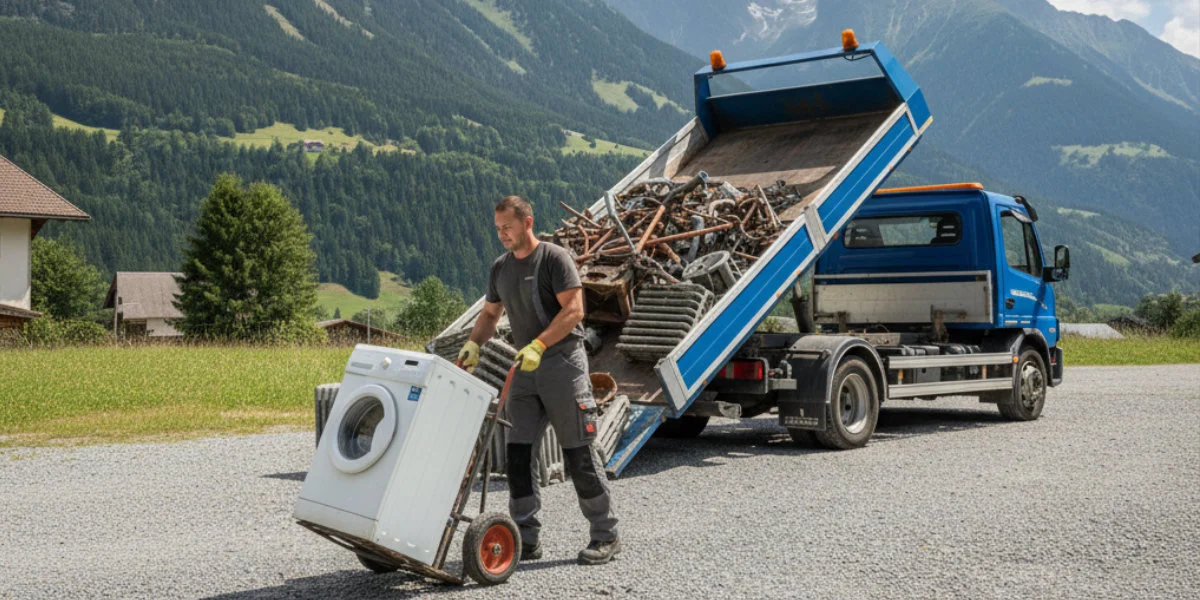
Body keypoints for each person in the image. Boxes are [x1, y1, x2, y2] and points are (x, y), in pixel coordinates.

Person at [457, 195, 620, 566]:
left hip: (563, 364)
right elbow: (489, 313)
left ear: (527, 222)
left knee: (579, 452)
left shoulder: (553, 259)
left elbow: (575, 310)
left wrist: (540, 343)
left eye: (507, 227)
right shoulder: (500, 268)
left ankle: (605, 535)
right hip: (526, 370)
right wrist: (473, 343)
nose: (502, 234)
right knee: (518, 455)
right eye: (497, 228)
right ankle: (526, 539)